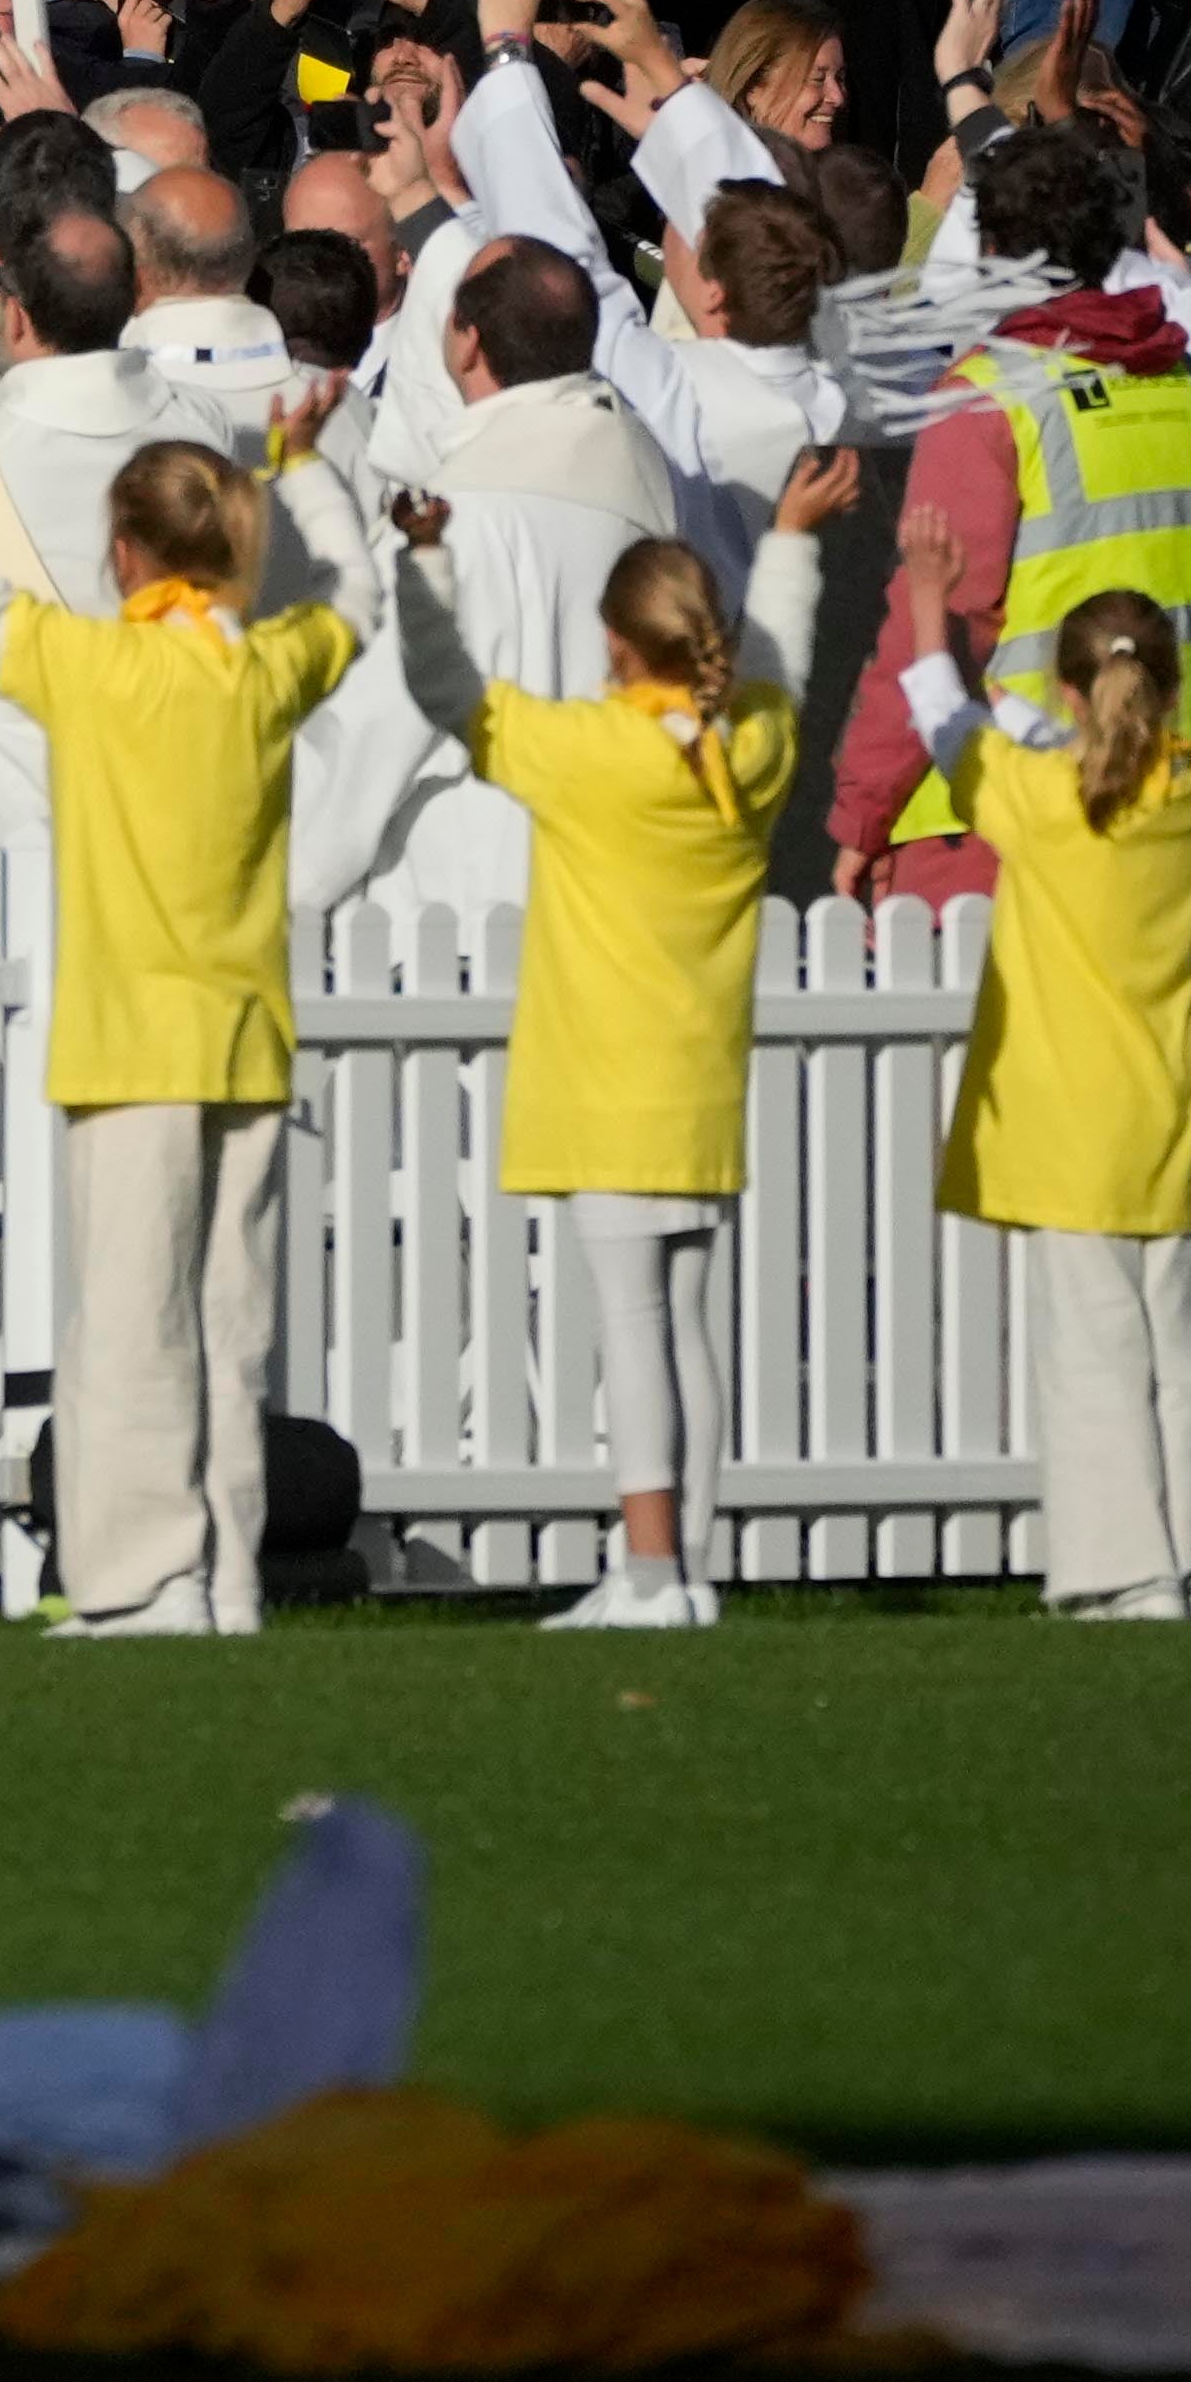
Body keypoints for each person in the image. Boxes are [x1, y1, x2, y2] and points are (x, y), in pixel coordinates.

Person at [454, 452, 855, 1637]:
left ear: (619, 647)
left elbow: (448, 693)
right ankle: (687, 1570)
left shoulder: (593, 752)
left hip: (607, 1083)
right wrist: (788, 538)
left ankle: (649, 1569)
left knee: (638, 1328)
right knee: (683, 1326)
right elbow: (777, 658)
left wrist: (424, 562)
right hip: (698, 1082)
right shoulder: (755, 748)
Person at [3, 431, 362, 1643]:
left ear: (123, 548)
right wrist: (307, 463)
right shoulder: (262, 668)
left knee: (130, 1320)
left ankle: (152, 1579)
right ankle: (224, 1574)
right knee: (225, 1320)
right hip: (243, 1036)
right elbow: (359, 597)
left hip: (130, 1046)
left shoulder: (96, 665)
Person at [912, 566, 1191, 1622]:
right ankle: (1186, 1563)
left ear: (1069, 688)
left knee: (1093, 1355)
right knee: (1175, 1359)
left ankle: (1123, 1574)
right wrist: (1014, 685)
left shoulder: (1046, 802)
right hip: (1166, 1118)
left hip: (1067, 1120)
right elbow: (1071, 742)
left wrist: (930, 613)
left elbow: (946, 728)